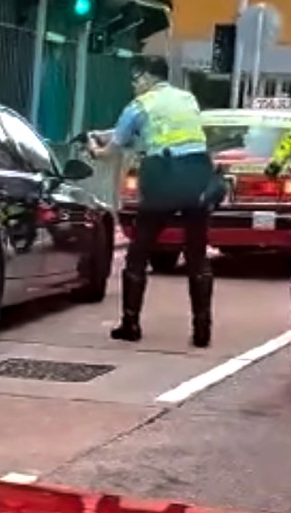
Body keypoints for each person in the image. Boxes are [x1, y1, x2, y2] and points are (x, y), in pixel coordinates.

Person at [87, 55, 220, 348]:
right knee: (197, 254)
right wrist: (111, 134)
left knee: (139, 251)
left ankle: (130, 322)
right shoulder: (187, 99)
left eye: (136, 79)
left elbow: (113, 149)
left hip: (162, 177)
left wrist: (93, 147)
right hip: (197, 175)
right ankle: (202, 328)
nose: (134, 84)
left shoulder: (139, 106)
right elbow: (157, 134)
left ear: (147, 78)